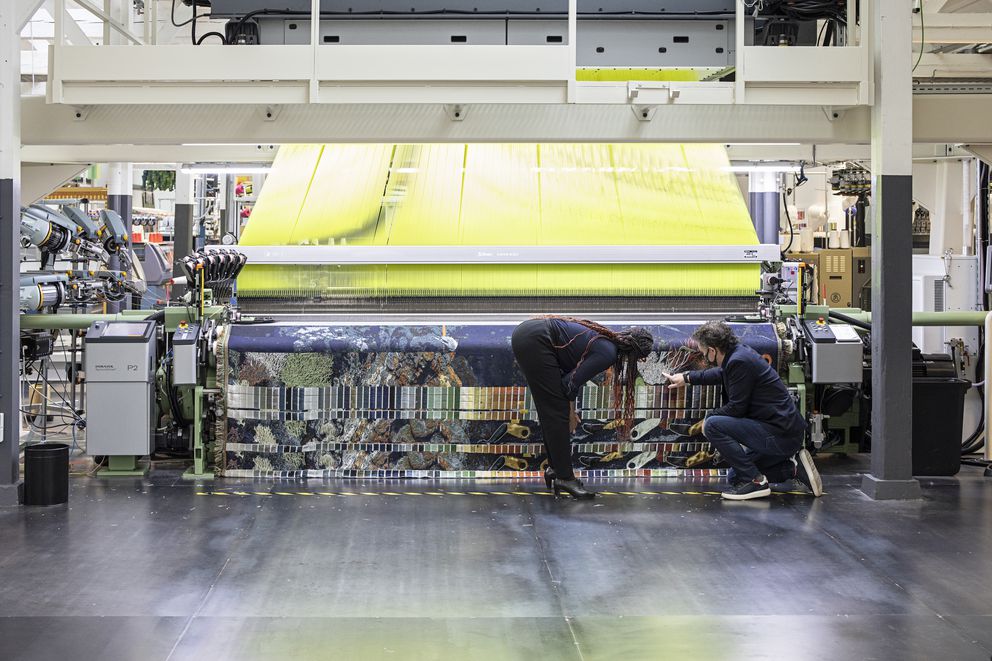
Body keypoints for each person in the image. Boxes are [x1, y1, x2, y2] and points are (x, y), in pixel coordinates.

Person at [664, 320, 823, 501]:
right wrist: (686, 377)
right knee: (735, 476)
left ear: (713, 350)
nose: (704, 357)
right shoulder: (738, 354)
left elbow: (736, 409)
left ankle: (755, 482)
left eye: (703, 353)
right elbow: (721, 374)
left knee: (713, 425)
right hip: (784, 432)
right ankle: (793, 469)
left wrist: (707, 420)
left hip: (780, 435)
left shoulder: (738, 361)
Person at [511, 317, 654, 500]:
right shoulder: (608, 353)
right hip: (536, 339)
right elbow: (570, 384)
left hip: (529, 334)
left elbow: (569, 380)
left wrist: (570, 409)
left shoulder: (605, 342)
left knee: (551, 411)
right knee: (556, 413)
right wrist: (570, 413)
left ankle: (556, 469)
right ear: (635, 356)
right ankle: (565, 478)